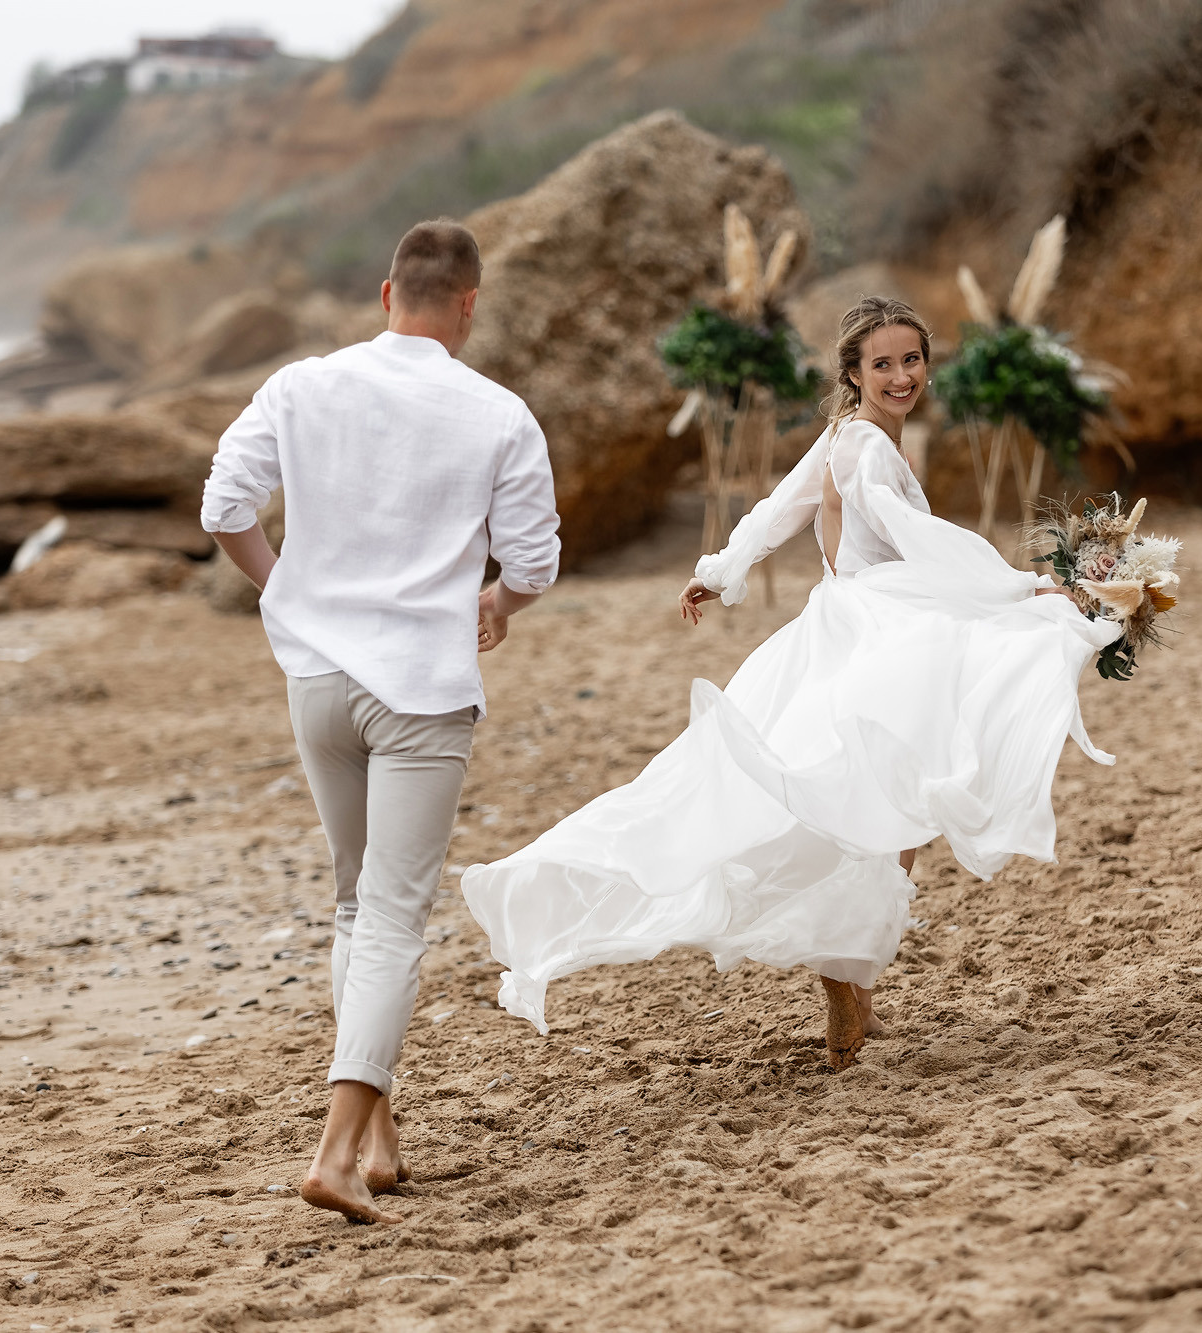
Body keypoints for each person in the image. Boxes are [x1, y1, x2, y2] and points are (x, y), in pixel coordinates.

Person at [462, 296, 1118, 1070]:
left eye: (912, 359)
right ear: (852, 371)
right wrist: (1026, 587)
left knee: (884, 805)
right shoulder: (868, 449)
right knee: (894, 810)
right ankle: (846, 973)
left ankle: (855, 981)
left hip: (851, 622)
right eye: (883, 363)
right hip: (882, 631)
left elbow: (779, 508)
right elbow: (917, 539)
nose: (902, 375)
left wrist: (721, 569)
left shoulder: (845, 435)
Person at [200, 219, 561, 1224]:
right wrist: (497, 604)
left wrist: (288, 591)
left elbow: (223, 505)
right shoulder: (496, 413)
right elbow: (530, 563)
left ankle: (378, 1138)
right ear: (469, 304)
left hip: (316, 677)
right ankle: (331, 1153)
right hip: (419, 689)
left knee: (355, 905)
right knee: (395, 915)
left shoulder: (301, 385)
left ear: (384, 292)